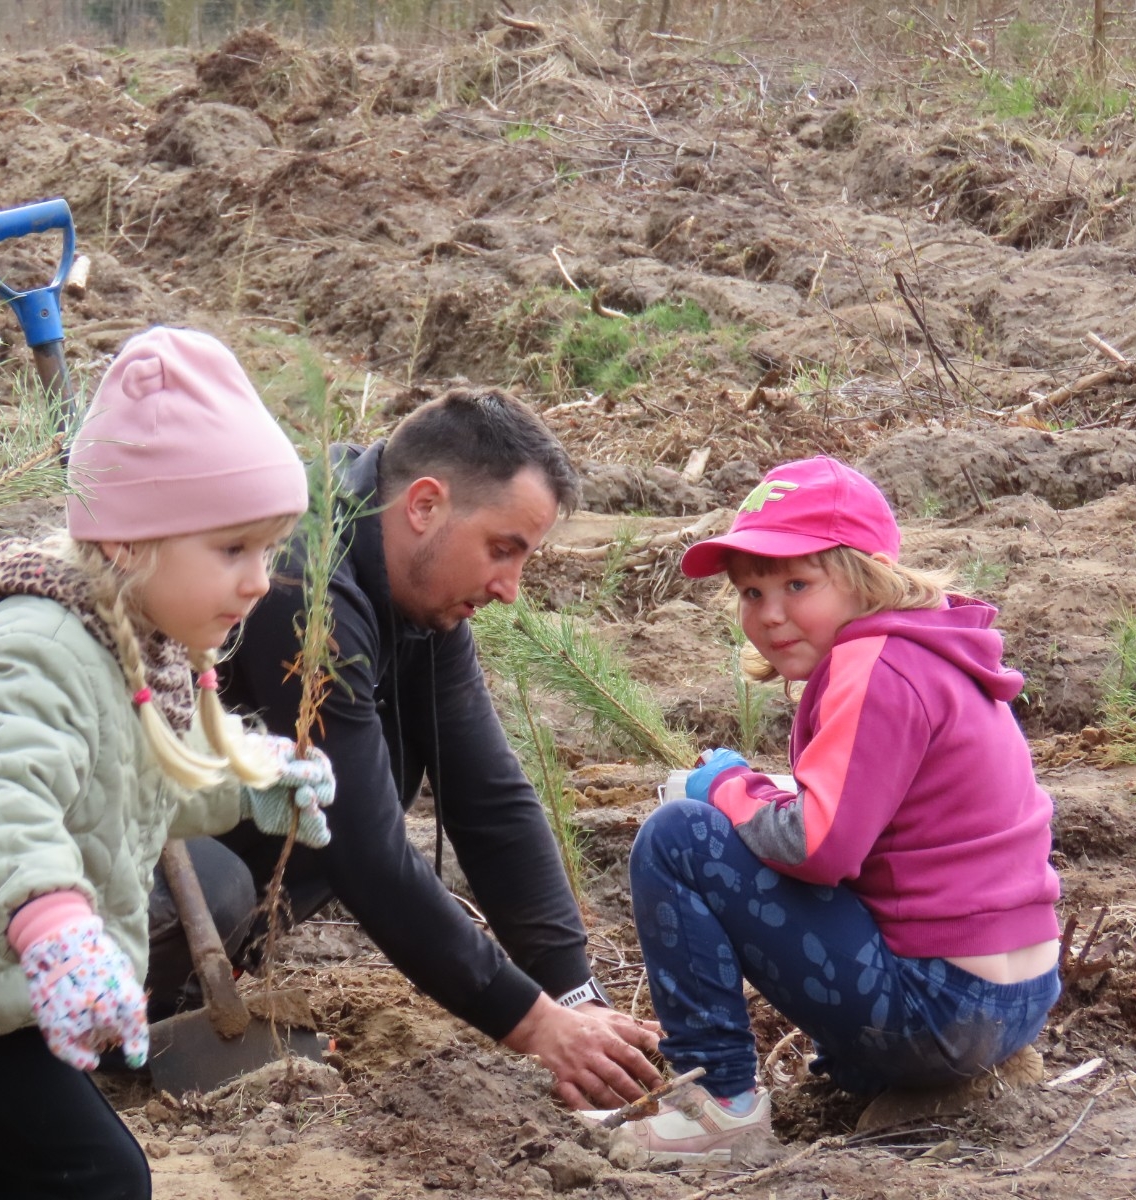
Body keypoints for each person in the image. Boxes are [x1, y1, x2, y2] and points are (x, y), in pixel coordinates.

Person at [0, 326, 335, 1199]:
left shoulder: (133, 641)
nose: (260, 580)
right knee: (100, 1178)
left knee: (16, 1178)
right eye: (234, 549)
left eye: (267, 551)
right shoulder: (35, 651)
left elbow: (131, 779)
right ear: (129, 544)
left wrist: (249, 779)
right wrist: (55, 926)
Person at [171, 386, 664, 1110]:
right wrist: (535, 1027)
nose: (509, 589)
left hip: (199, 809)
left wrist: (574, 997)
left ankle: (178, 980)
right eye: (502, 550)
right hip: (91, 840)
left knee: (384, 763)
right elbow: (365, 852)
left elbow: (488, 799)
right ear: (425, 505)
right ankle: (114, 1007)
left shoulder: (420, 591)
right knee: (229, 876)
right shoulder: (303, 581)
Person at [617, 455, 1061, 1161]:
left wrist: (726, 785)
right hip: (1018, 1001)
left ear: (869, 576)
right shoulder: (933, 652)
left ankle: (718, 1103)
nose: (770, 613)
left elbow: (818, 847)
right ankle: (901, 1077)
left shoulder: (872, 663)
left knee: (679, 836)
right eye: (751, 591)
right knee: (753, 822)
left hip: (941, 1012)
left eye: (797, 583)